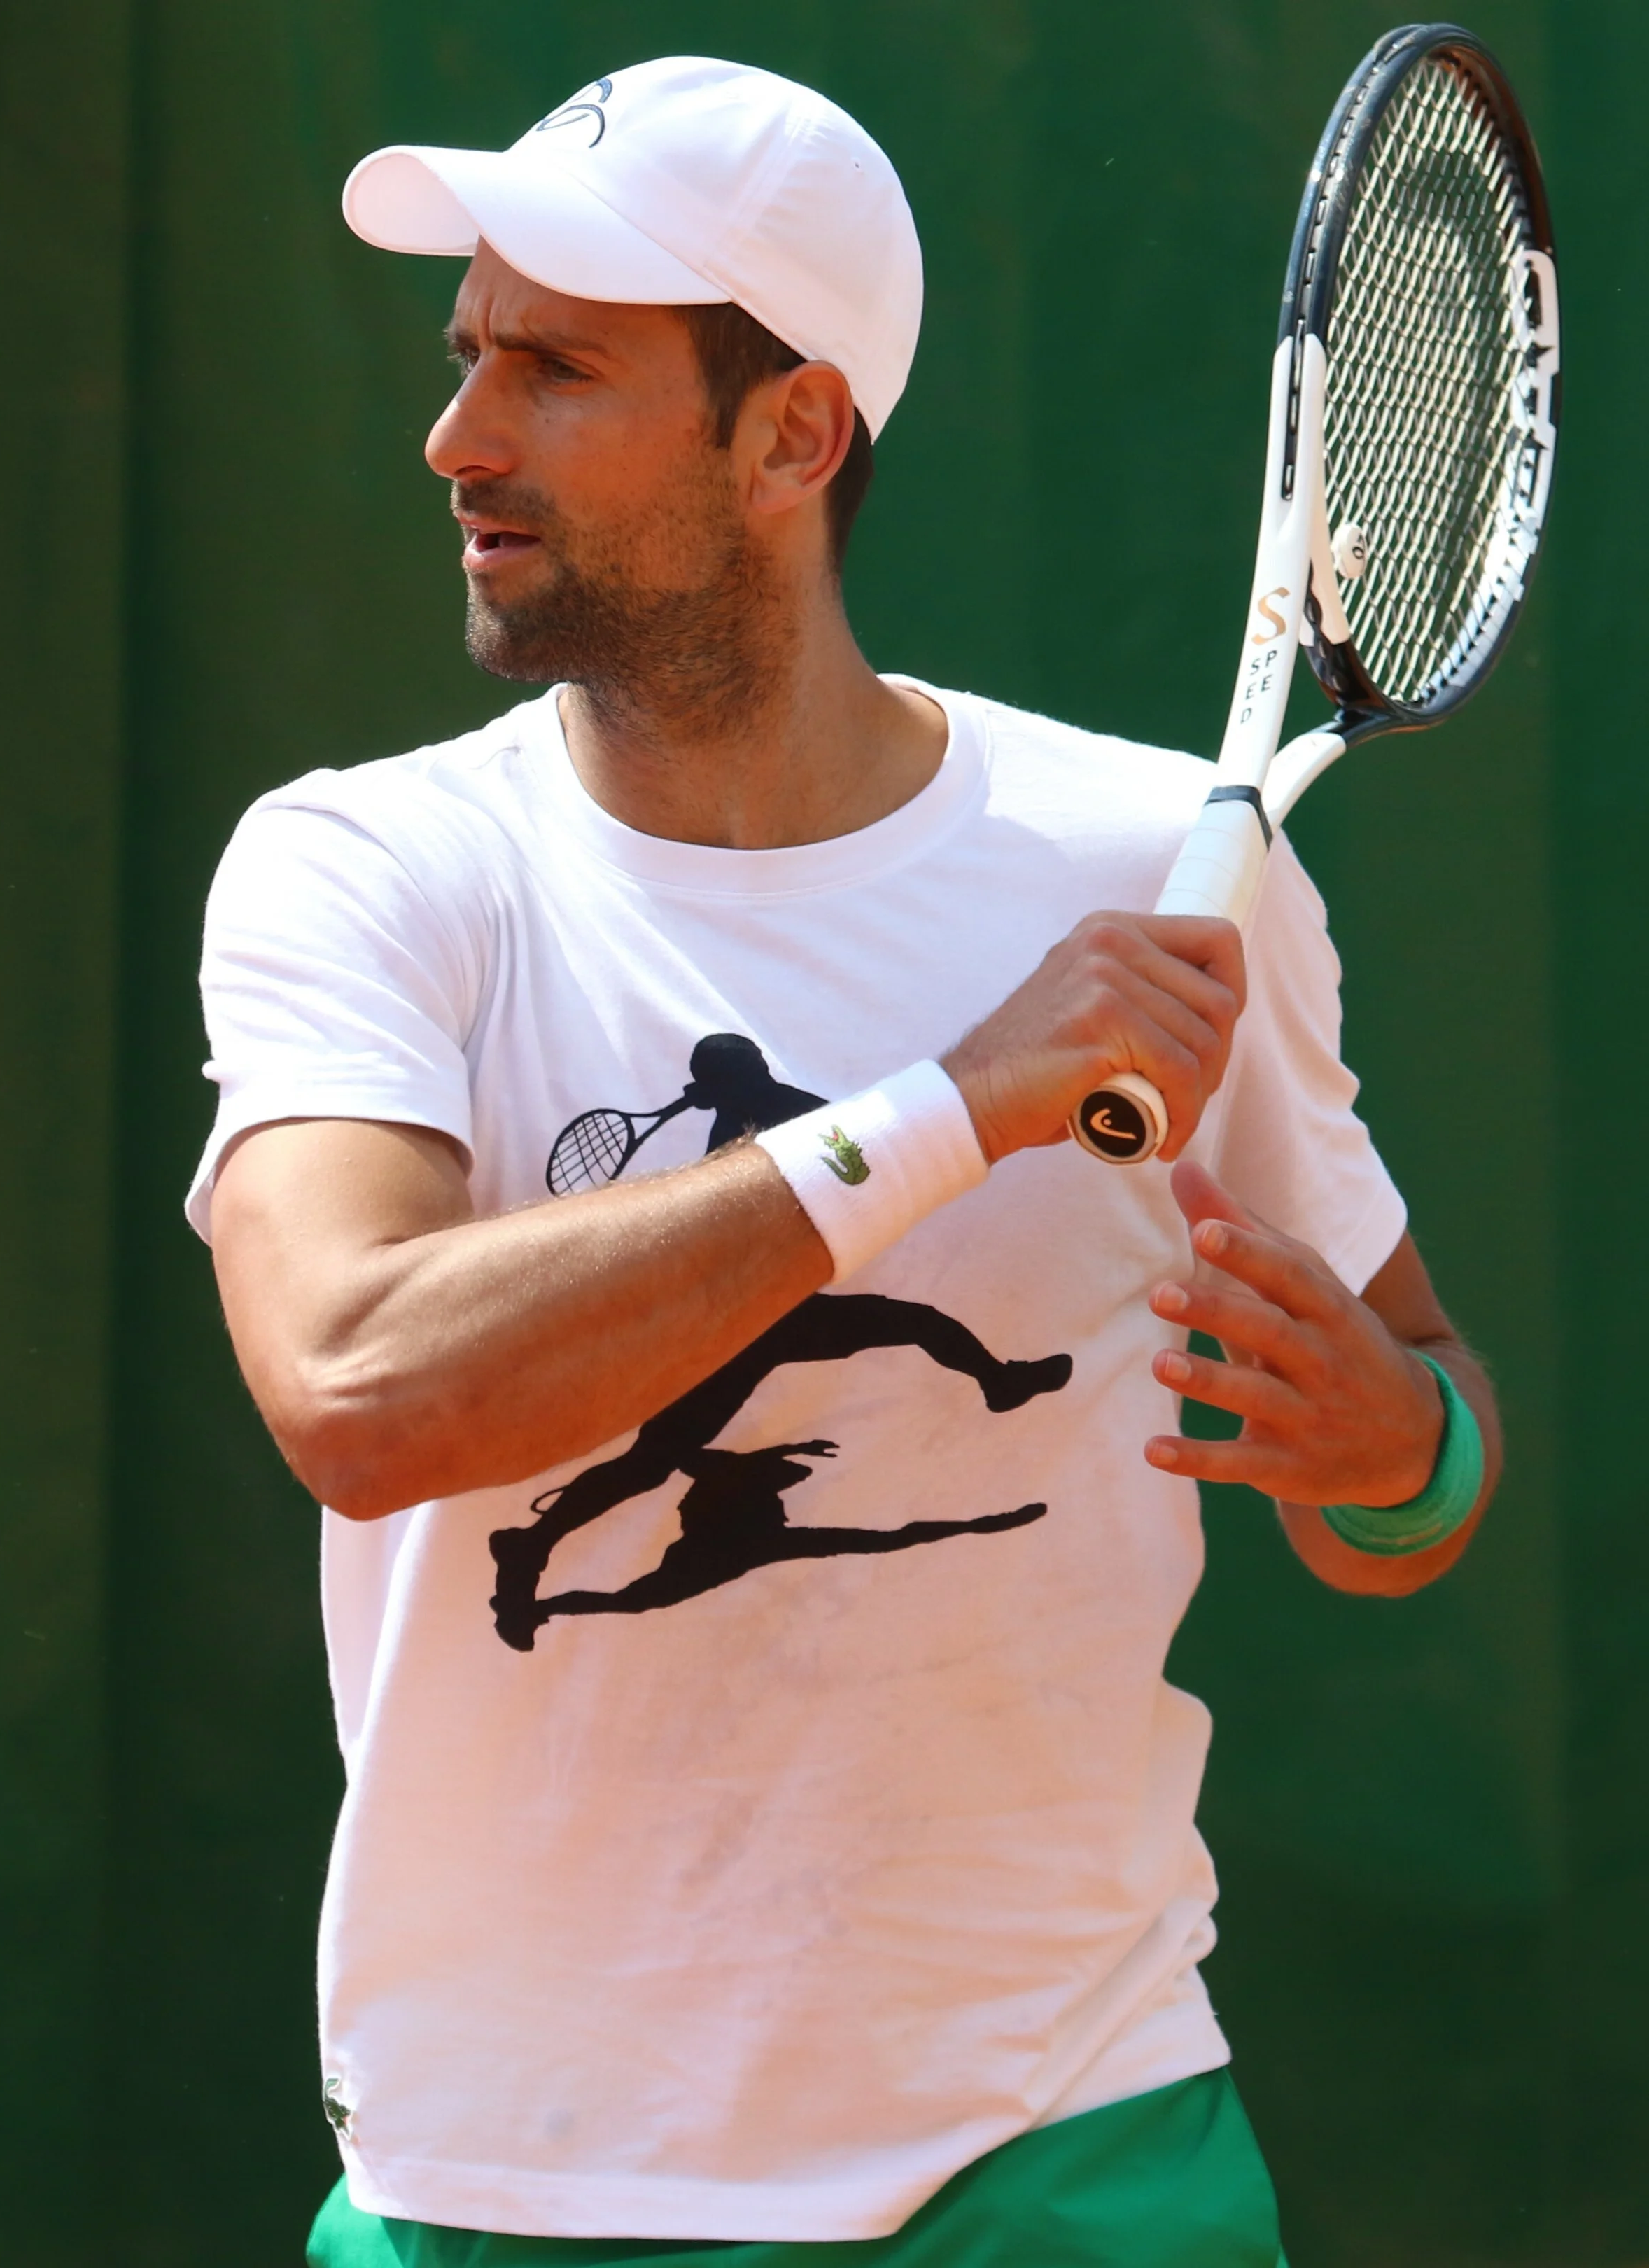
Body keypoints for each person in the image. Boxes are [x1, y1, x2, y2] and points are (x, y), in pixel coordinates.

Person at [189, 56, 1501, 2268]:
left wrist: (1389, 1449)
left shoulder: (1159, 871)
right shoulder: (364, 869)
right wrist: (952, 1109)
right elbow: (358, 1388)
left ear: (789, 434)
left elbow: (1420, 1460)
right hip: (502, 2180)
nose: (459, 437)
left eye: (555, 367)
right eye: (465, 356)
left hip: (1072, 2155)